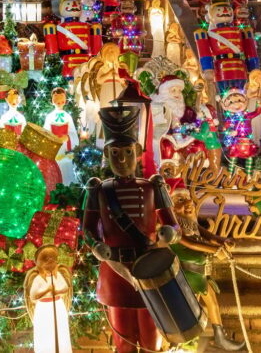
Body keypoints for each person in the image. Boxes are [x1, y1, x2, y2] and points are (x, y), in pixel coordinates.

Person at [82, 106, 179, 353]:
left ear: (137, 152)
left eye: (127, 152)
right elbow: (88, 229)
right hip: (115, 271)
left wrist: (168, 233)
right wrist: (96, 246)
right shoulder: (97, 189)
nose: (122, 159)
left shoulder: (153, 186)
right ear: (107, 154)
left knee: (152, 338)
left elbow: (173, 224)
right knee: (123, 341)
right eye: (115, 152)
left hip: (150, 269)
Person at [170, 188, 245, 351]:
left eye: (187, 199)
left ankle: (219, 337)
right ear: (171, 206)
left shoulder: (191, 224)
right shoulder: (174, 226)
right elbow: (191, 244)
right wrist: (216, 251)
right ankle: (184, 343)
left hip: (201, 272)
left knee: (211, 303)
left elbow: (209, 236)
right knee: (191, 309)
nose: (188, 204)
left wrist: (223, 241)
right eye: (180, 201)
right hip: (188, 274)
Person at [24, 246, 74, 353]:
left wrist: (57, 292)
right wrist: (47, 291)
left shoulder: (58, 275)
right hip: (43, 309)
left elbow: (65, 288)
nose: (49, 269)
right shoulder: (37, 279)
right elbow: (33, 297)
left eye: (52, 265)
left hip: (58, 306)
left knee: (59, 333)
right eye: (46, 267)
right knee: (46, 334)